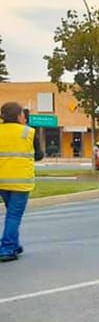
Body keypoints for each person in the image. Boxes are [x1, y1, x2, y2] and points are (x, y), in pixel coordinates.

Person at [0, 102, 45, 262]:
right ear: (20, 116)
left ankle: (14, 244)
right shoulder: (29, 132)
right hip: (20, 182)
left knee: (12, 213)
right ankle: (7, 248)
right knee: (14, 215)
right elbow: (39, 155)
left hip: (2, 182)